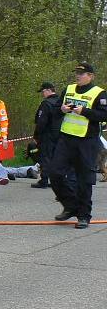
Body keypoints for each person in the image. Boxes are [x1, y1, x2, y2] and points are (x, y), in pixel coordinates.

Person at [47, 62, 107, 228]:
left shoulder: (99, 93)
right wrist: (63, 110)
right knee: (54, 173)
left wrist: (84, 112)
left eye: (82, 73)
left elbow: (104, 115)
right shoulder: (69, 89)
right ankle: (71, 205)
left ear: (91, 76)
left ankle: (84, 215)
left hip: (86, 141)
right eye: (77, 73)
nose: (78, 76)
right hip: (66, 139)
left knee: (84, 179)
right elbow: (56, 110)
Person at [31, 82, 63, 189]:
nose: (42, 94)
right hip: (60, 134)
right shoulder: (61, 102)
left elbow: (41, 122)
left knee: (45, 157)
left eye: (43, 91)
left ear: (49, 90)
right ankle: (56, 181)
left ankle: (44, 180)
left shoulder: (46, 104)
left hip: (47, 135)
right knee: (56, 158)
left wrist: (36, 136)